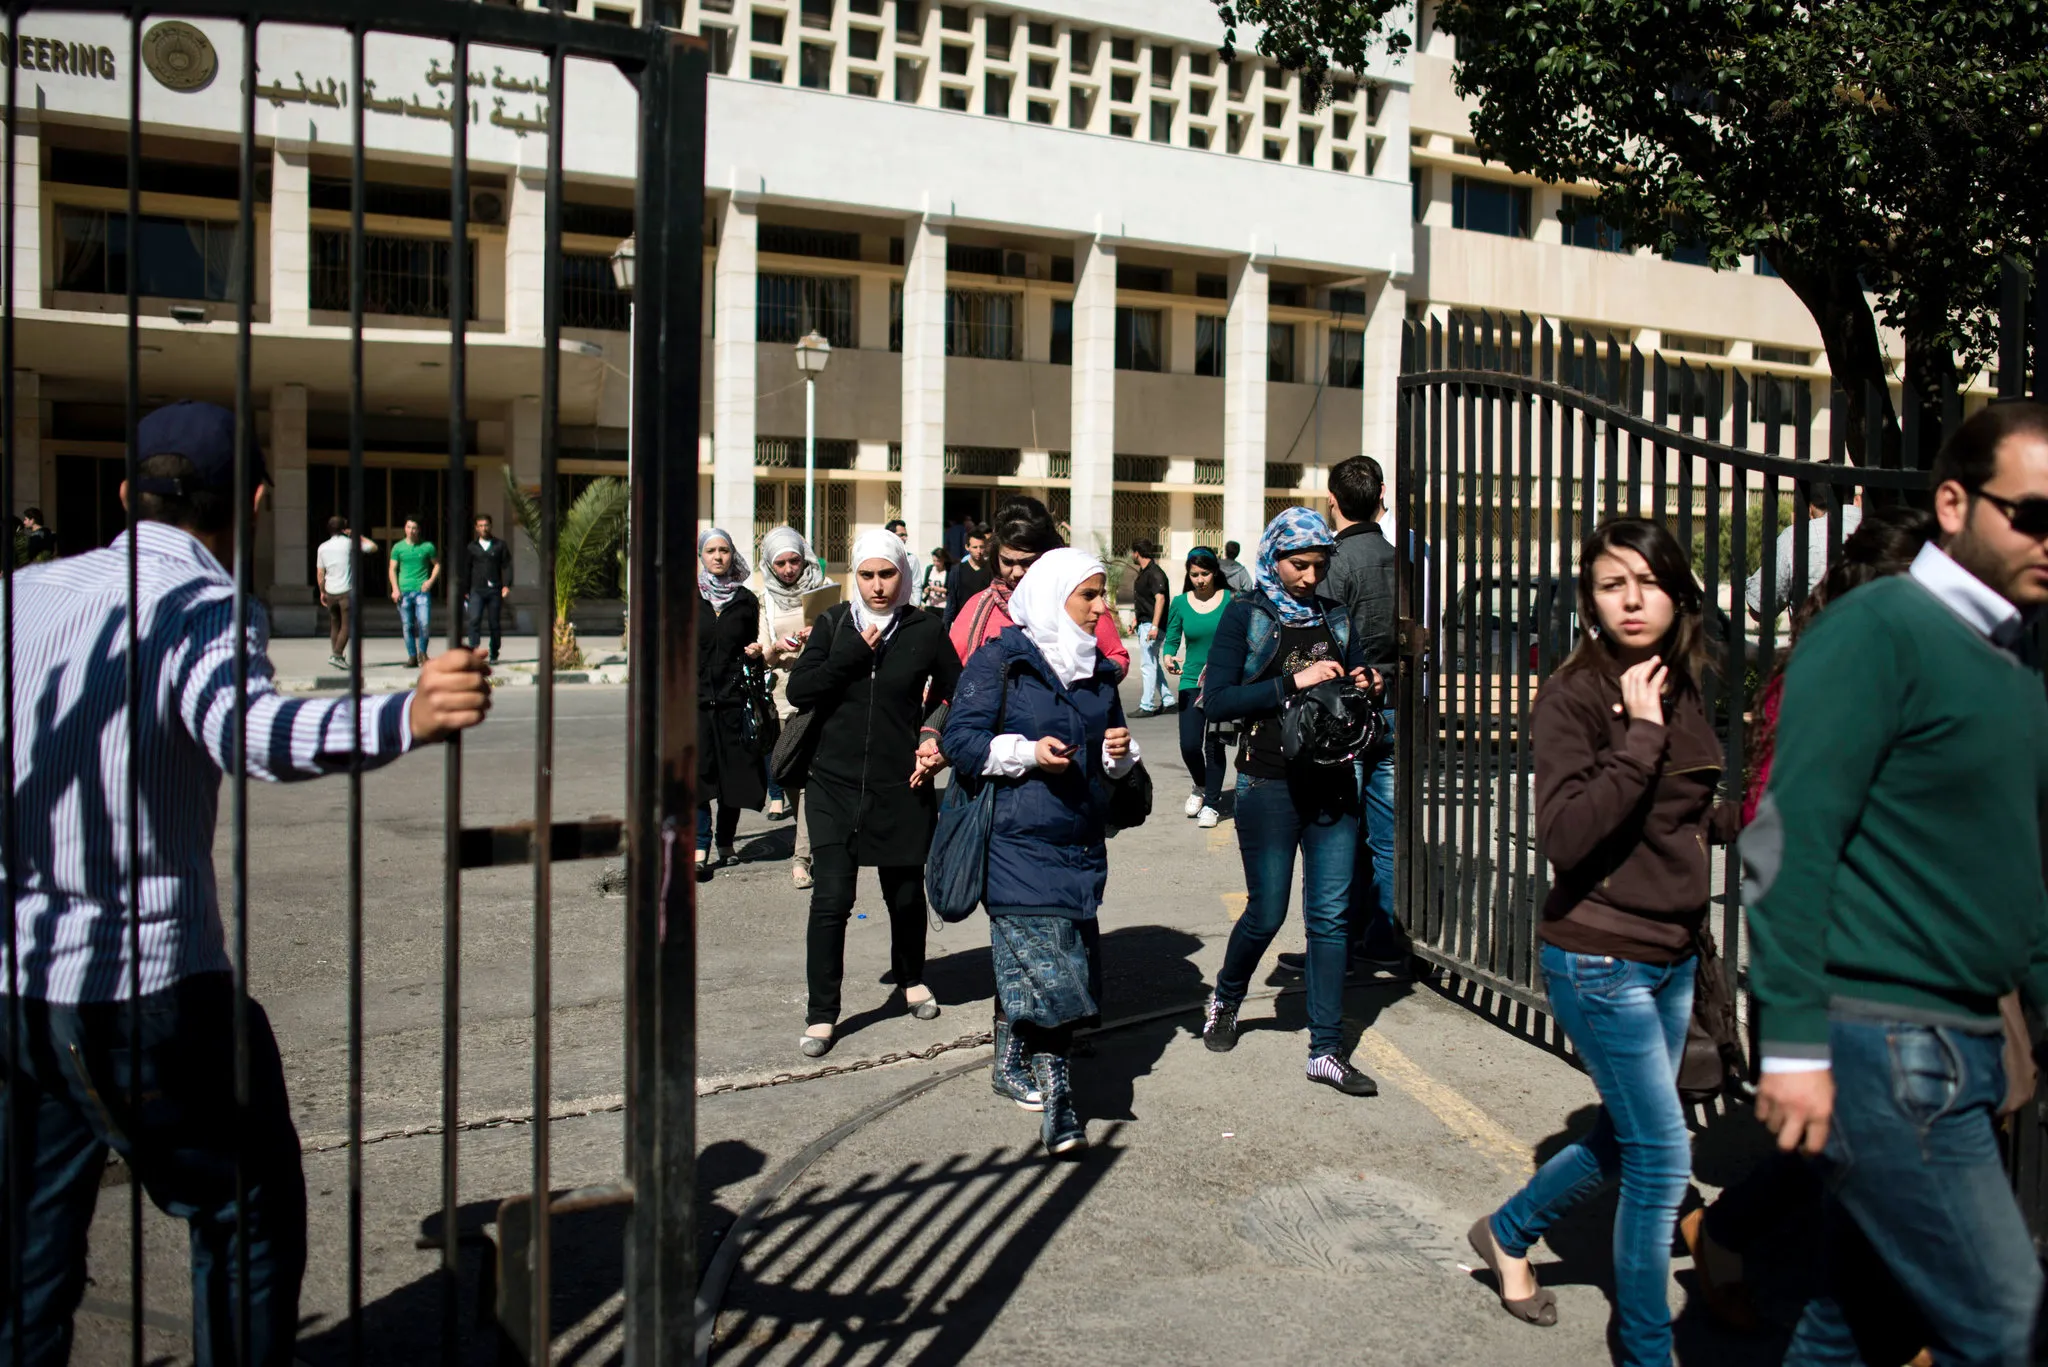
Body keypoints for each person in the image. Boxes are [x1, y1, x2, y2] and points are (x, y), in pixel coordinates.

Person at [0, 400, 492, 1366]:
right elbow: (251, 733)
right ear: (256, 501)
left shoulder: (28, 596)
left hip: (19, 984)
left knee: (28, 1255)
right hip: (146, 986)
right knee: (246, 1212)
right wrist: (408, 715)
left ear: (123, 491)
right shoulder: (198, 604)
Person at [1746, 401, 2048, 1365]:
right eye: (2031, 513)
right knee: (2009, 1330)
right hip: (1886, 1041)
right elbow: (1784, 844)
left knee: (1852, 1322)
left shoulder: (2009, 662)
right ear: (1954, 502)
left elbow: (2012, 875)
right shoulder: (1880, 627)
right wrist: (1791, 1043)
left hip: (1959, 1041)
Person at [1469, 517, 1735, 1362]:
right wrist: (1644, 736)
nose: (1629, 598)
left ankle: (1509, 1232)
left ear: (1678, 594)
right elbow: (1568, 835)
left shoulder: (1682, 681)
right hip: (1598, 954)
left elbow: (1692, 812)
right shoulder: (1576, 695)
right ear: (1589, 599)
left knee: (1628, 1138)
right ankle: (1646, 1351)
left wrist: (1763, 811)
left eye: (1646, 581)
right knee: (1661, 1164)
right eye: (1610, 582)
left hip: (1672, 952)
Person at [1677, 505, 1936, 1335]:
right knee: (1859, 1151)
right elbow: (1774, 833)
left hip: (1906, 947)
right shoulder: (1831, 674)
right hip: (1848, 948)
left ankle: (1733, 1234)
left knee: (1855, 1142)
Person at [943, 547, 1139, 1157]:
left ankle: (1009, 1061)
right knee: (1055, 977)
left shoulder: (1099, 675)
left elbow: (1115, 772)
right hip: (1015, 843)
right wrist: (1028, 753)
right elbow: (962, 741)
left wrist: (1119, 758)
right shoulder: (1001, 660)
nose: (1102, 607)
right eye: (1091, 595)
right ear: (1056, 598)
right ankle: (1061, 1102)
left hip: (1078, 845)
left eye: (1103, 594)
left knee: (1049, 969)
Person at [1199, 508, 1383, 1097]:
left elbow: (1349, 675)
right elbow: (1217, 700)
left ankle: (1325, 1050)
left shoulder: (1335, 616)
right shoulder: (1246, 616)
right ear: (1274, 557)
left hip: (1333, 779)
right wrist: (1291, 684)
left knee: (1330, 920)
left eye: (1318, 565)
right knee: (1268, 911)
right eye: (1298, 564)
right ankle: (1225, 998)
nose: (1309, 576)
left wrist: (1364, 681)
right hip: (1268, 782)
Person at [785, 529, 960, 1058]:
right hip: (832, 785)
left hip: (901, 785)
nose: (878, 586)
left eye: (887, 574)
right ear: (853, 577)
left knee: (905, 896)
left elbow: (956, 690)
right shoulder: (836, 624)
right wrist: (853, 656)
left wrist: (933, 739)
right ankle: (822, 1015)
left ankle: (911, 979)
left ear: (903, 574)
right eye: (867, 575)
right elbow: (800, 689)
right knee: (832, 900)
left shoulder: (927, 628)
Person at [1323, 456, 1404, 970]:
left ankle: (1338, 946)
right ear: (1381, 497)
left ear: (1332, 502)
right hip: (1392, 705)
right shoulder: (1402, 562)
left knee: (1340, 833)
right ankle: (1389, 938)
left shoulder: (1331, 565)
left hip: (1344, 713)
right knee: (1389, 833)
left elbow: (1322, 644)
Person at [950, 496, 1129, 681]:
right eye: (1008, 562)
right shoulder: (977, 608)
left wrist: (1091, 680)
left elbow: (1117, 656)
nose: (1017, 572)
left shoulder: (1078, 600)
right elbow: (950, 676)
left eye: (1028, 562)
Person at [753, 525, 832, 888]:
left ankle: (803, 857)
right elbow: (763, 652)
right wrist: (779, 647)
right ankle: (808, 843)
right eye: (781, 562)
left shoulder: (823, 588)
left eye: (794, 560)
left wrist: (819, 636)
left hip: (820, 692)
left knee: (813, 778)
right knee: (789, 777)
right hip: (782, 696)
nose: (789, 569)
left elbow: (841, 635)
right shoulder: (762, 597)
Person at [696, 528, 767, 875]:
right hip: (695, 703)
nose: (718, 556)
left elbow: (757, 645)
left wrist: (755, 654)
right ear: (701, 556)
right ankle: (699, 845)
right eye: (711, 550)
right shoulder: (688, 599)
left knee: (732, 777)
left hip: (733, 701)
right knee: (698, 775)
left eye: (724, 550)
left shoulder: (746, 600)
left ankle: (725, 841)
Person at [1160, 546, 1232, 828]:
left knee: (1214, 746)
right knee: (1189, 745)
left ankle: (1212, 805)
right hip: (1190, 681)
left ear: (1214, 572)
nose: (1200, 579)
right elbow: (1172, 637)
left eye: (1205, 573)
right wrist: (1168, 655)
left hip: (1221, 683)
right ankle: (1200, 785)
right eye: (1195, 574)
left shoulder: (1230, 600)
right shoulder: (1180, 602)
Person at [1745, 474, 1862, 618]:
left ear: (1810, 508)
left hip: (1815, 637)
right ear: (1854, 498)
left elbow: (1759, 606)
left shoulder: (1798, 536)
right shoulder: (1879, 529)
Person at [313, 514, 377, 672]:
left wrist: (322, 591)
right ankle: (337, 655)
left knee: (335, 624)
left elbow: (320, 573)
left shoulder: (322, 547)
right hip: (346, 591)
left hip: (330, 591)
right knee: (348, 625)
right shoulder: (350, 544)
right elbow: (373, 547)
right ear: (344, 528)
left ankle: (337, 655)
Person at [461, 513, 513, 665]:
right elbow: (466, 569)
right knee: (474, 620)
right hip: (477, 590)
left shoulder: (499, 545)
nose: (484, 528)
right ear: (476, 528)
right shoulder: (472, 547)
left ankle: (494, 652)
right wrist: (465, 589)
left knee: (494, 623)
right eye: (481, 526)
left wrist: (507, 585)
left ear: (491, 526)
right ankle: (474, 650)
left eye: (486, 525)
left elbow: (507, 566)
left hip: (494, 590)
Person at [388, 516, 439, 668]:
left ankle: (422, 653)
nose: (411, 531)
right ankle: (412, 656)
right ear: (405, 529)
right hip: (404, 591)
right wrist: (395, 589)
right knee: (407, 625)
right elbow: (392, 569)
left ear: (419, 530)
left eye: (414, 528)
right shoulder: (398, 547)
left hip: (421, 591)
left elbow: (437, 565)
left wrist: (430, 581)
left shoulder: (427, 547)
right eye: (409, 527)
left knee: (424, 623)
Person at [1129, 538, 1171, 716]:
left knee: (1148, 664)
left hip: (1153, 626)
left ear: (1137, 553)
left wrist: (1154, 627)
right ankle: (1169, 701)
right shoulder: (1144, 572)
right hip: (1145, 623)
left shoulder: (1155, 573)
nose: (1131, 555)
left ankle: (1146, 705)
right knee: (1153, 663)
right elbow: (1144, 601)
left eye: (1132, 552)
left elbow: (1160, 599)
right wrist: (1135, 620)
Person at [943, 524, 993, 628]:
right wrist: (946, 628)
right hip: (962, 623)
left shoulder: (992, 570)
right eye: (975, 547)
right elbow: (951, 601)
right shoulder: (957, 570)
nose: (979, 551)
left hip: (984, 623)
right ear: (967, 547)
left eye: (981, 547)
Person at [920, 546, 952, 612]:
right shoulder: (930, 569)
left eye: (938, 561)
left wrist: (939, 589)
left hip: (943, 605)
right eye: (934, 561)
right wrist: (926, 589)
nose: (936, 563)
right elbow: (925, 585)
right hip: (930, 604)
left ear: (944, 560)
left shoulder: (949, 571)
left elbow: (951, 590)